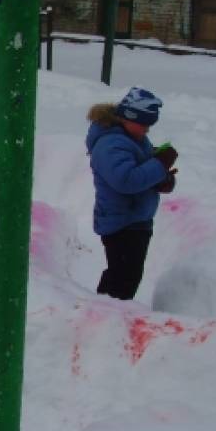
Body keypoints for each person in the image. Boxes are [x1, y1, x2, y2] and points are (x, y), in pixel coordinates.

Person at [85, 86, 178, 301]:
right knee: (122, 280)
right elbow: (125, 180)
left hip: (134, 219)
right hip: (122, 222)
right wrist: (158, 165)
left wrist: (163, 177)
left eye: (150, 125)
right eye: (143, 124)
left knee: (125, 276)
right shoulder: (111, 144)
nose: (147, 130)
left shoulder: (134, 139)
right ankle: (105, 317)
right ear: (127, 118)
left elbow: (142, 170)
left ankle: (104, 312)